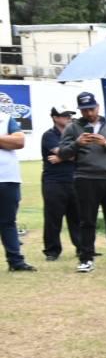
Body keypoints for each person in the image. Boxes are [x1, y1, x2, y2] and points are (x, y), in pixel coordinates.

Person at [58, 92, 106, 273]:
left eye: (91, 109)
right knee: (87, 220)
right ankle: (86, 258)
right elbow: (62, 153)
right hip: (85, 178)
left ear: (98, 107)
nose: (89, 113)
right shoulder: (72, 127)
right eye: (84, 110)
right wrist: (77, 144)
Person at [39, 106, 84, 263]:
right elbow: (68, 153)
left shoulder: (74, 135)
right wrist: (67, 155)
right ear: (55, 118)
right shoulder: (49, 135)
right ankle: (52, 251)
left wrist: (62, 157)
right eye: (65, 115)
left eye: (70, 115)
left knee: (77, 216)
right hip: (54, 181)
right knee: (53, 218)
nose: (68, 118)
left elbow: (83, 155)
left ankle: (82, 248)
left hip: (75, 179)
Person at [0, 107, 30, 272]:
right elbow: (12, 141)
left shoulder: (5, 118)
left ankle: (16, 262)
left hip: (8, 178)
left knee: (8, 222)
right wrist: (5, 141)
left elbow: (19, 142)